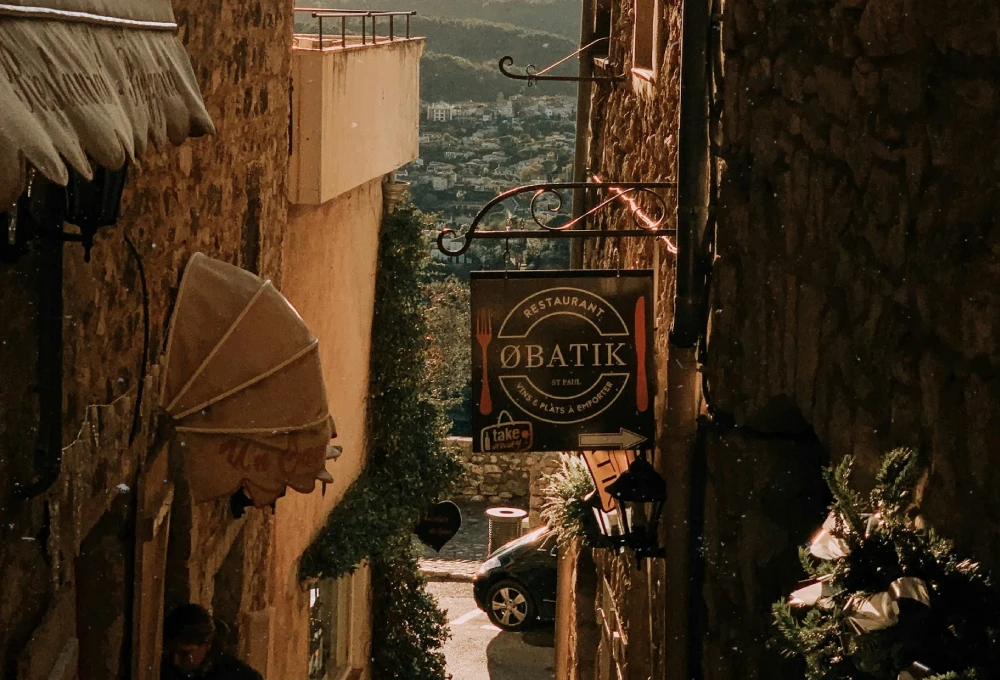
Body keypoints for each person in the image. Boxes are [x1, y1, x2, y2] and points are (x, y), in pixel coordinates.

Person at [162, 603, 263, 680]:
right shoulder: (168, 669)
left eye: (184, 653)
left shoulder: (237, 676)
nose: (175, 661)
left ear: (207, 644)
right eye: (171, 653)